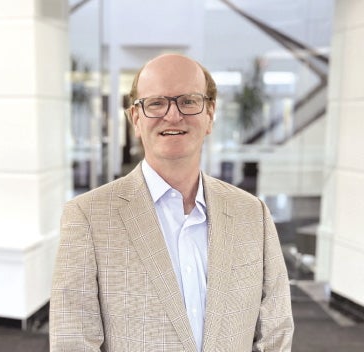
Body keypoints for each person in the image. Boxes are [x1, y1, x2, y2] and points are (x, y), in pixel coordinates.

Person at [50, 54, 294, 351]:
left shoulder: (252, 213)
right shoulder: (88, 216)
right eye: (156, 103)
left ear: (210, 114)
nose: (173, 115)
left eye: (189, 101)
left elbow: (276, 331)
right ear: (136, 120)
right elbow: (73, 342)